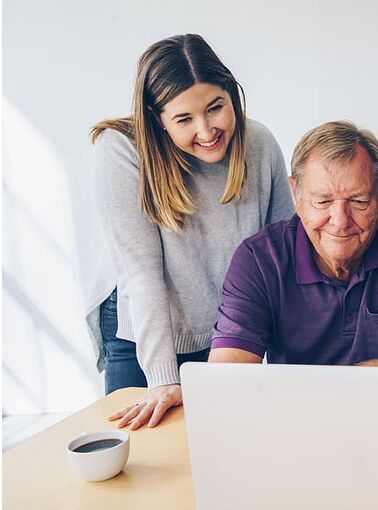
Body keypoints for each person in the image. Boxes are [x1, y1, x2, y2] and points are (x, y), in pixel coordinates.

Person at [87, 34, 294, 429]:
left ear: (232, 94)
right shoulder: (120, 151)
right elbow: (142, 273)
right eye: (184, 119)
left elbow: (283, 255)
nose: (206, 130)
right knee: (150, 451)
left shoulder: (260, 144)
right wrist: (163, 379)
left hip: (224, 330)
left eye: (216, 108)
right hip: (144, 335)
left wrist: (286, 361)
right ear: (156, 118)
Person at [208, 120, 378, 367]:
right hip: (301, 408)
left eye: (358, 201)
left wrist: (301, 388)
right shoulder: (258, 260)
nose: (340, 222)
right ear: (296, 194)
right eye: (323, 201)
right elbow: (227, 378)